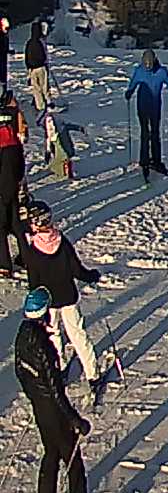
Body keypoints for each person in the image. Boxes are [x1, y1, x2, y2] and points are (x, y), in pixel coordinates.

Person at [15, 288, 99, 493]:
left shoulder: (21, 335)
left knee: (51, 453)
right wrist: (76, 420)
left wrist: (35, 399)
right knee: (75, 466)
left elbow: (22, 373)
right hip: (54, 412)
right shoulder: (44, 346)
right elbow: (55, 391)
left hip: (40, 410)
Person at [19, 201, 106, 396]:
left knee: (53, 334)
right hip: (68, 297)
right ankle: (93, 374)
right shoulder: (62, 241)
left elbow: (34, 283)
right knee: (78, 335)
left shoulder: (32, 251)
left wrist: (37, 307)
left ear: (34, 224)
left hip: (48, 303)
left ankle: (57, 368)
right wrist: (92, 276)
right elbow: (77, 270)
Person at [125, 50, 168, 175]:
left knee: (155, 133)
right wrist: (129, 92)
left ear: (154, 61)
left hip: (155, 107)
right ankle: (144, 160)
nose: (147, 67)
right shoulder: (139, 70)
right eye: (145, 65)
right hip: (142, 106)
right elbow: (133, 83)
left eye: (149, 65)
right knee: (144, 133)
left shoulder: (162, 72)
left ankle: (156, 160)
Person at [0, 94, 24, 281]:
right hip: (13, 184)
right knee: (16, 223)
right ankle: (25, 257)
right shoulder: (13, 138)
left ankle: (3, 265)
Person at [24, 20, 51, 114]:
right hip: (41, 67)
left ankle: (40, 106)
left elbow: (26, 57)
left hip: (32, 69)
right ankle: (48, 103)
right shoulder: (40, 42)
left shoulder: (29, 42)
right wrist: (45, 63)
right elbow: (44, 55)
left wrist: (28, 68)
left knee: (36, 88)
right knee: (44, 86)